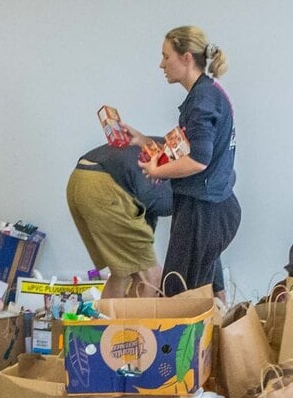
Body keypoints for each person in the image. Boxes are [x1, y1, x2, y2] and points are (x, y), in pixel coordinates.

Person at [124, 26, 238, 294]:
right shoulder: (207, 93)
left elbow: (199, 160)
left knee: (179, 294)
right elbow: (187, 150)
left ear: (186, 57)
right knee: (199, 290)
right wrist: (143, 141)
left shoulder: (202, 99)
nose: (161, 64)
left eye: (166, 56)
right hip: (208, 206)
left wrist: (159, 170)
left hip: (204, 211)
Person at [67, 140, 172, 298]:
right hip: (106, 185)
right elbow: (205, 246)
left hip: (81, 178)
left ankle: (108, 322)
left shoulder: (184, 155)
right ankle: (132, 324)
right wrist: (219, 293)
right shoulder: (200, 188)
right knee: (152, 277)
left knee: (123, 273)